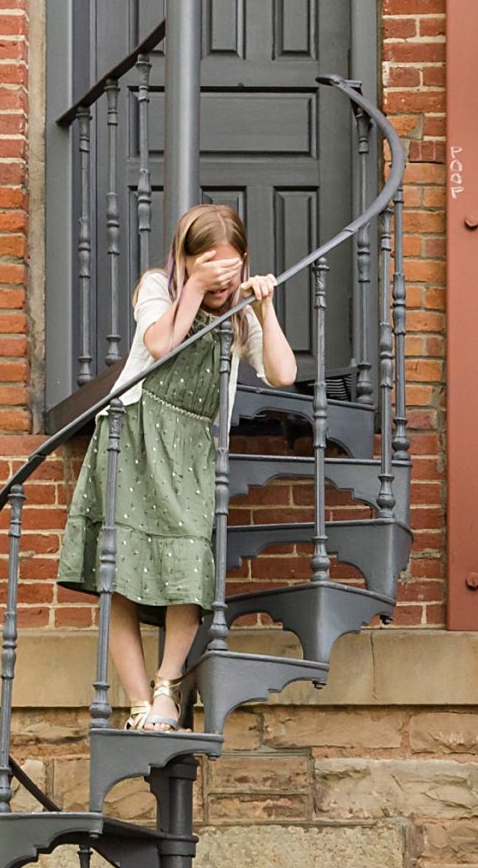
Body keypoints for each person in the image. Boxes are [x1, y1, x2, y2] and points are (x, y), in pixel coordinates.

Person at [57, 202, 298, 730]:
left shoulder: (237, 315)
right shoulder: (157, 289)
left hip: (191, 448)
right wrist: (190, 287)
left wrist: (263, 308)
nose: (219, 285)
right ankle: (140, 702)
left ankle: (167, 687)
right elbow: (161, 343)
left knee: (190, 562)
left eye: (229, 272)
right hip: (136, 437)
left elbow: (283, 372)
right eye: (209, 270)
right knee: (120, 576)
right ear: (185, 261)